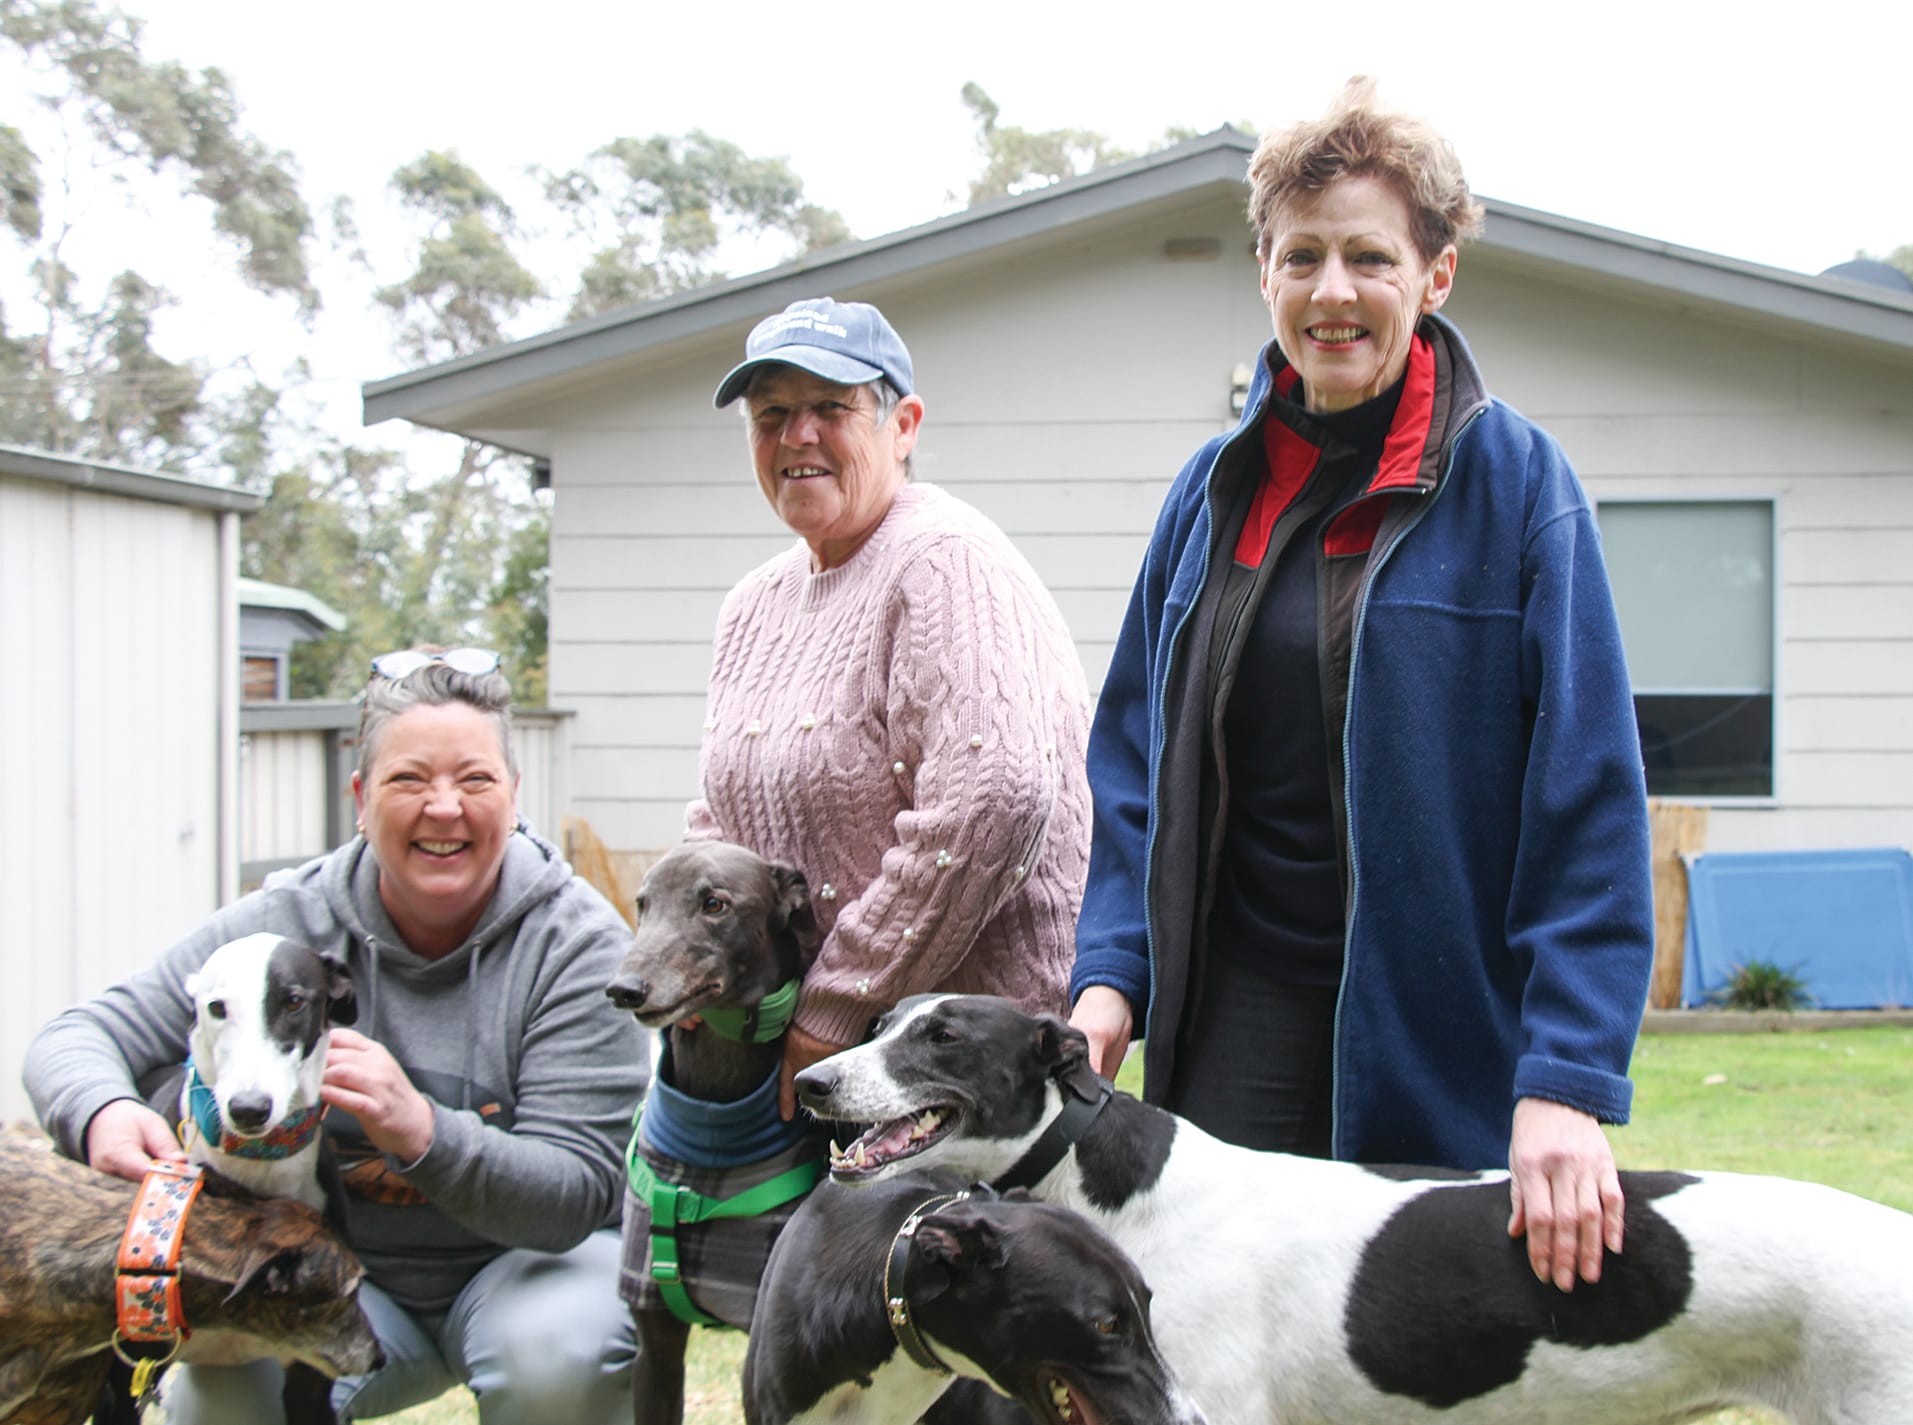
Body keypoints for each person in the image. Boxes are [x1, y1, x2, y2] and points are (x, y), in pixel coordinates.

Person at [1067, 79, 1654, 1295]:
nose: (1332, 292)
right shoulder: (1208, 491)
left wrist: (1565, 1082)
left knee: (1414, 1364)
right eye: (1302, 256)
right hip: (1229, 1030)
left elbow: (1586, 798)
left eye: (1368, 258)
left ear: (1434, 277)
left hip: (1437, 1040)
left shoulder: (1518, 487)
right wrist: (1110, 972)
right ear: (1264, 276)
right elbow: (1129, 757)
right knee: (1216, 1355)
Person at [25, 648, 645, 1424]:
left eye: (475, 779)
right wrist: (101, 1111)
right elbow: (77, 1036)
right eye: (408, 779)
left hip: (532, 1274)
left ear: (514, 795)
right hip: (336, 1277)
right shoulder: (285, 921)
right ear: (359, 796)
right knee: (223, 1395)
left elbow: (575, 1195)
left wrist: (421, 1130)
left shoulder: (578, 943)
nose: (444, 807)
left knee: (561, 1357)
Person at [698, 296, 1092, 1119]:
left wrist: (835, 1006)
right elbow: (718, 822)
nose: (797, 435)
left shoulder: (944, 562)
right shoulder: (751, 604)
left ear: (902, 425)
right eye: (771, 414)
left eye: (831, 408)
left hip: (970, 1088)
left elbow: (991, 803)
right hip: (816, 1062)